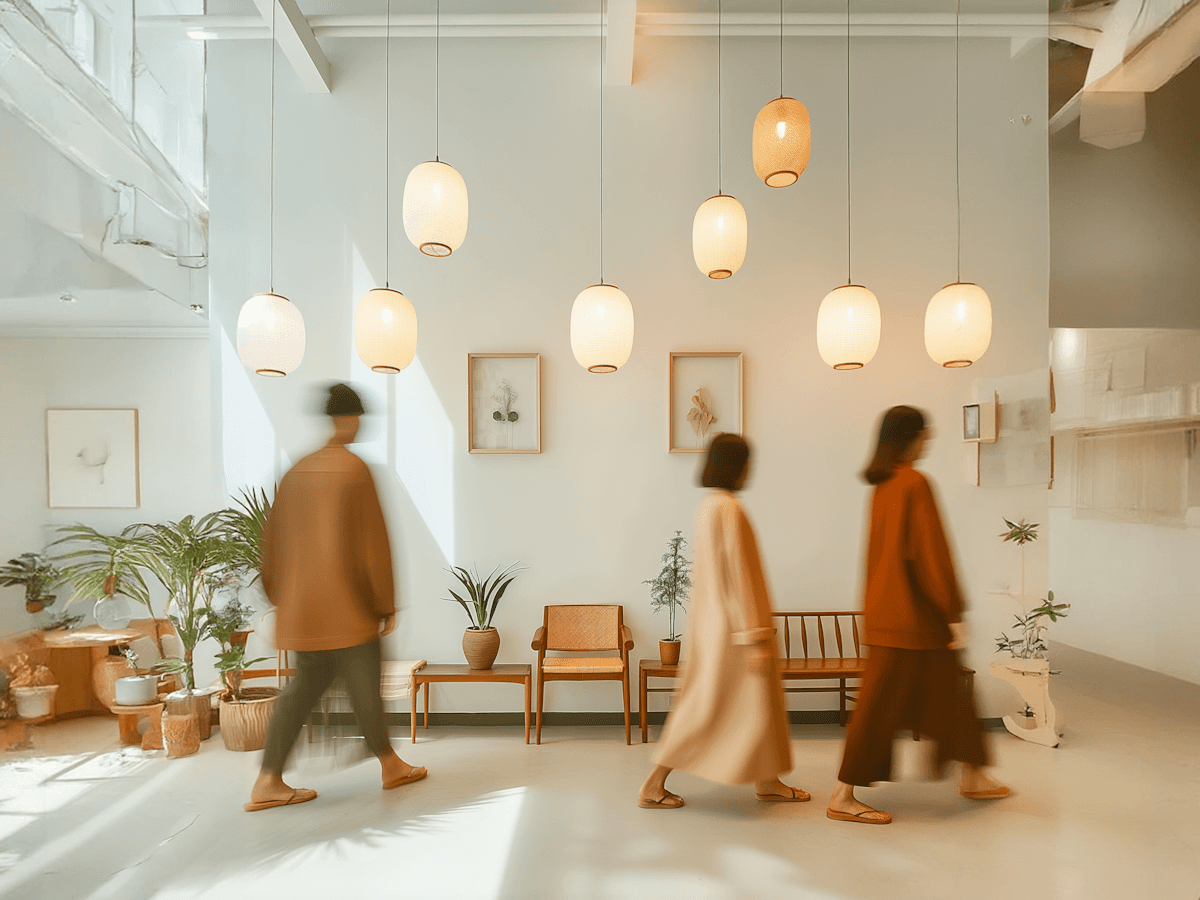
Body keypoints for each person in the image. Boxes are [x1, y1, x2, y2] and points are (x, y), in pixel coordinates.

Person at [246, 382, 426, 812]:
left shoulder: (296, 471)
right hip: (348, 608)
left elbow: (270, 543)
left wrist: (280, 597)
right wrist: (384, 604)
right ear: (347, 418)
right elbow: (372, 546)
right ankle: (389, 764)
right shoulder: (353, 469)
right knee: (366, 684)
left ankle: (269, 780)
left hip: (304, 611)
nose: (361, 425)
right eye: (359, 417)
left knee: (303, 689)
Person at [827, 406, 1009, 826]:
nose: (929, 441)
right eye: (925, 435)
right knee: (876, 709)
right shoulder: (914, 482)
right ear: (910, 438)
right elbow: (930, 554)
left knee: (953, 697)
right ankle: (842, 795)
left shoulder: (883, 486)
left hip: (889, 615)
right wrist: (953, 610)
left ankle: (975, 775)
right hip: (912, 620)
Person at [638, 433, 806, 809]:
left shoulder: (709, 506)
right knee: (707, 708)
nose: (751, 470)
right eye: (747, 463)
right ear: (737, 466)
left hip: (715, 627)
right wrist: (754, 635)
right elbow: (739, 578)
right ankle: (653, 784)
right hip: (735, 634)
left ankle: (768, 779)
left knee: (751, 707)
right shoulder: (730, 509)